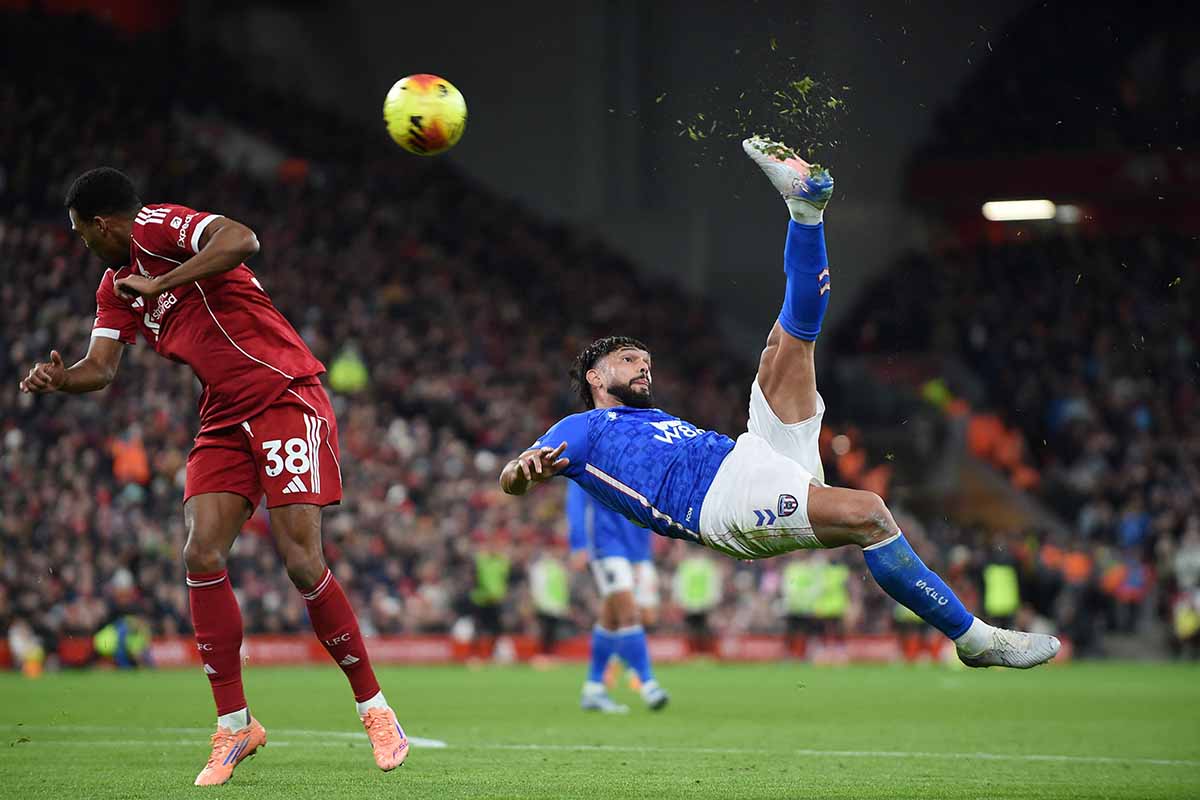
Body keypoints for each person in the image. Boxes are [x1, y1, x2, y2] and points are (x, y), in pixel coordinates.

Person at [500, 138, 1060, 671]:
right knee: (868, 512)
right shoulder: (584, 429)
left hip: (748, 456)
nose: (643, 366)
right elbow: (514, 477)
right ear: (595, 375)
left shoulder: (650, 418)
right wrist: (522, 473)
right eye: (628, 360)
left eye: (645, 359)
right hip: (723, 503)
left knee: (785, 345)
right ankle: (976, 639)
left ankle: (806, 211)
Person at [19, 168, 408, 785]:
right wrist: (60, 380)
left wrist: (164, 281)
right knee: (200, 554)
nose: (81, 245)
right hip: (223, 414)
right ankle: (235, 725)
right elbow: (100, 368)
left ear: (101, 223)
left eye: (80, 233)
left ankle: (376, 710)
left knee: (302, 560)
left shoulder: (156, 226)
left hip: (283, 391)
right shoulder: (113, 287)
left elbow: (242, 239)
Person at [566, 482, 668, 713]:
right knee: (628, 614)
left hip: (637, 548)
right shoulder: (591, 450)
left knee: (616, 618)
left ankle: (593, 688)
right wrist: (578, 543)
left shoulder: (642, 454)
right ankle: (647, 683)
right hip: (606, 543)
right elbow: (576, 499)